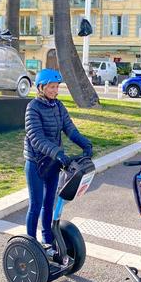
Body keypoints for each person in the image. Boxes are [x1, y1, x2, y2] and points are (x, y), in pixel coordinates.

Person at [23, 69, 92, 250]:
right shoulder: (33, 108)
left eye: (57, 87)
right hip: (36, 164)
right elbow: (36, 138)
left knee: (49, 203)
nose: (55, 90)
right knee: (36, 204)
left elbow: (70, 129)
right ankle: (30, 244)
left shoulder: (59, 106)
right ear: (41, 87)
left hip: (53, 163)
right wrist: (58, 153)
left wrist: (85, 144)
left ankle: (48, 239)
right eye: (52, 87)